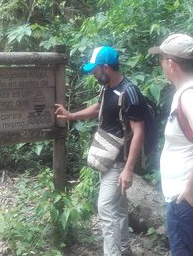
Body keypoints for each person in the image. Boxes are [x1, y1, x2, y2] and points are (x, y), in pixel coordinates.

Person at [55, 46, 148, 256]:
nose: (93, 74)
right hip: (106, 157)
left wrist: (128, 169)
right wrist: (71, 115)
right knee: (119, 207)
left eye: (95, 70)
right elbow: (99, 108)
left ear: (106, 67)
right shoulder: (108, 87)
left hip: (118, 162)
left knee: (106, 209)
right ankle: (124, 249)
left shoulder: (130, 92)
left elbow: (139, 132)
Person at [148, 33, 193, 256]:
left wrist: (190, 187)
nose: (161, 65)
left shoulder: (190, 96)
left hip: (190, 201)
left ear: (171, 64)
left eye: (161, 59)